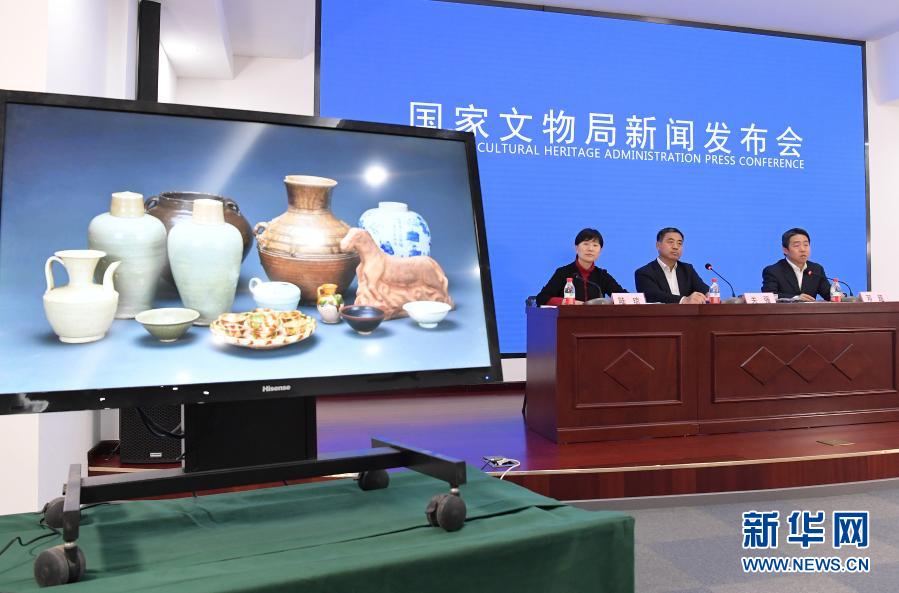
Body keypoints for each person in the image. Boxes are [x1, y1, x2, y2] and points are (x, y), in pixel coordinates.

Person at [536, 228, 626, 305]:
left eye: (595, 245)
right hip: (568, 318)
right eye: (586, 244)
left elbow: (623, 296)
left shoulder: (602, 275)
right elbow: (542, 298)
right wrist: (570, 302)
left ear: (600, 251)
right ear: (576, 248)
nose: (590, 249)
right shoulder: (563, 272)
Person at [634, 227, 709, 304]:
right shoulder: (644, 272)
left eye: (679, 243)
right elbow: (654, 295)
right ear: (658, 245)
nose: (675, 247)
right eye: (670, 242)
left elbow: (702, 288)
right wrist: (683, 300)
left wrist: (710, 295)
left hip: (688, 312)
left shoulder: (687, 269)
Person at [761, 227, 830, 301]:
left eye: (806, 245)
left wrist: (837, 293)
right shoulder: (773, 271)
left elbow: (829, 294)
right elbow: (769, 296)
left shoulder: (816, 269)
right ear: (785, 250)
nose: (803, 249)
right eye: (797, 245)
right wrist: (795, 298)